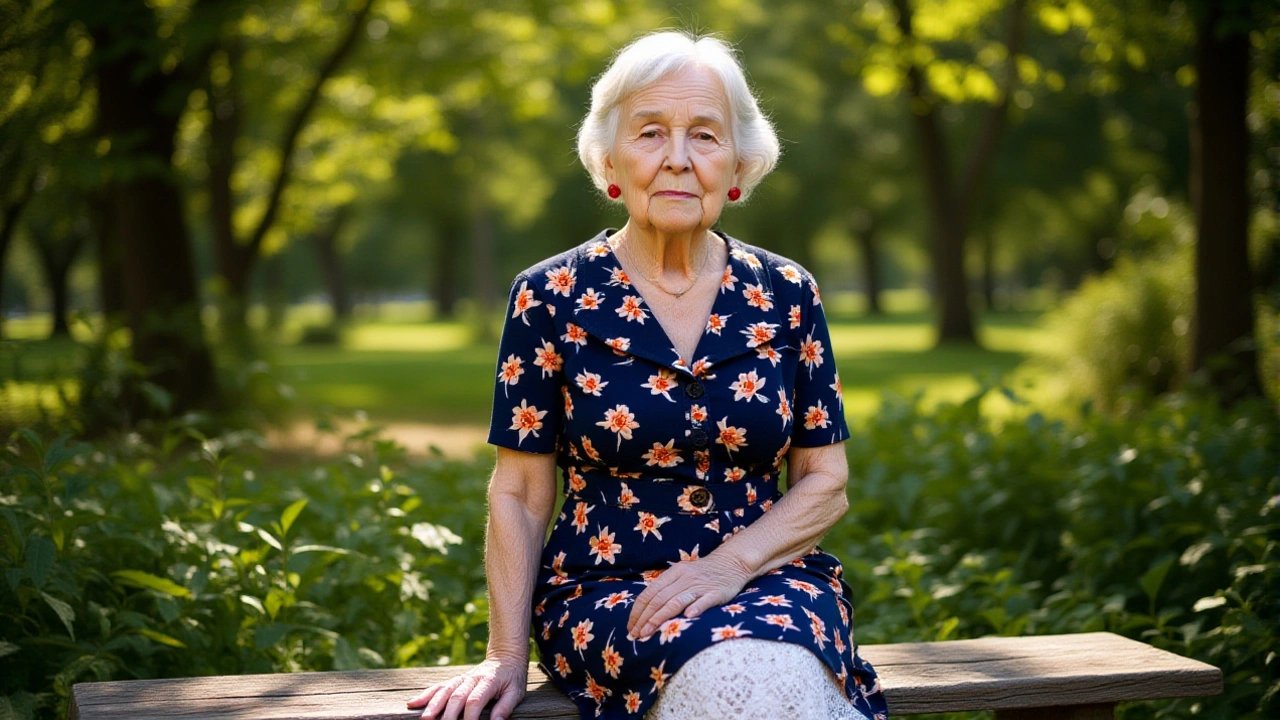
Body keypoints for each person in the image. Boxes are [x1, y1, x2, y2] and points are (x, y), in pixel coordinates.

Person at [406, 29, 890, 720]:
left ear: (737, 166)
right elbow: (517, 490)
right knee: (745, 682)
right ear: (610, 158)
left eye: (704, 135)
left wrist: (729, 568)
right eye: (651, 133)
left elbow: (826, 482)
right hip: (608, 592)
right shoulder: (551, 296)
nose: (677, 160)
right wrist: (503, 656)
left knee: (770, 669)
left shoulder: (787, 292)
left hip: (768, 580)